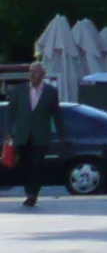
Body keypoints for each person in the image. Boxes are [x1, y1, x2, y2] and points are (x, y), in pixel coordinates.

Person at [14, 63, 61, 209]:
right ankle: (29, 191)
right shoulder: (20, 90)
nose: (32, 74)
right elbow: (10, 111)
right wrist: (8, 132)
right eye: (31, 72)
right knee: (25, 165)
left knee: (36, 165)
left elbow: (56, 114)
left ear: (42, 75)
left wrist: (62, 133)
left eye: (36, 72)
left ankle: (33, 193)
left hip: (41, 135)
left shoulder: (51, 92)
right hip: (23, 135)